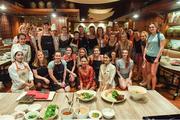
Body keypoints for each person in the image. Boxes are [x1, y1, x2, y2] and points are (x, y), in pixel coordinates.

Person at [144, 23, 166, 90]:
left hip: (155, 57)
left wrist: (157, 58)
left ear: (156, 28)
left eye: (153, 27)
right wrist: (144, 55)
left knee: (153, 73)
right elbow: (146, 47)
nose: (151, 28)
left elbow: (162, 47)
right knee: (148, 72)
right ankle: (148, 86)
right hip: (148, 55)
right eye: (150, 27)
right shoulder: (149, 36)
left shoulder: (160, 36)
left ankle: (153, 89)